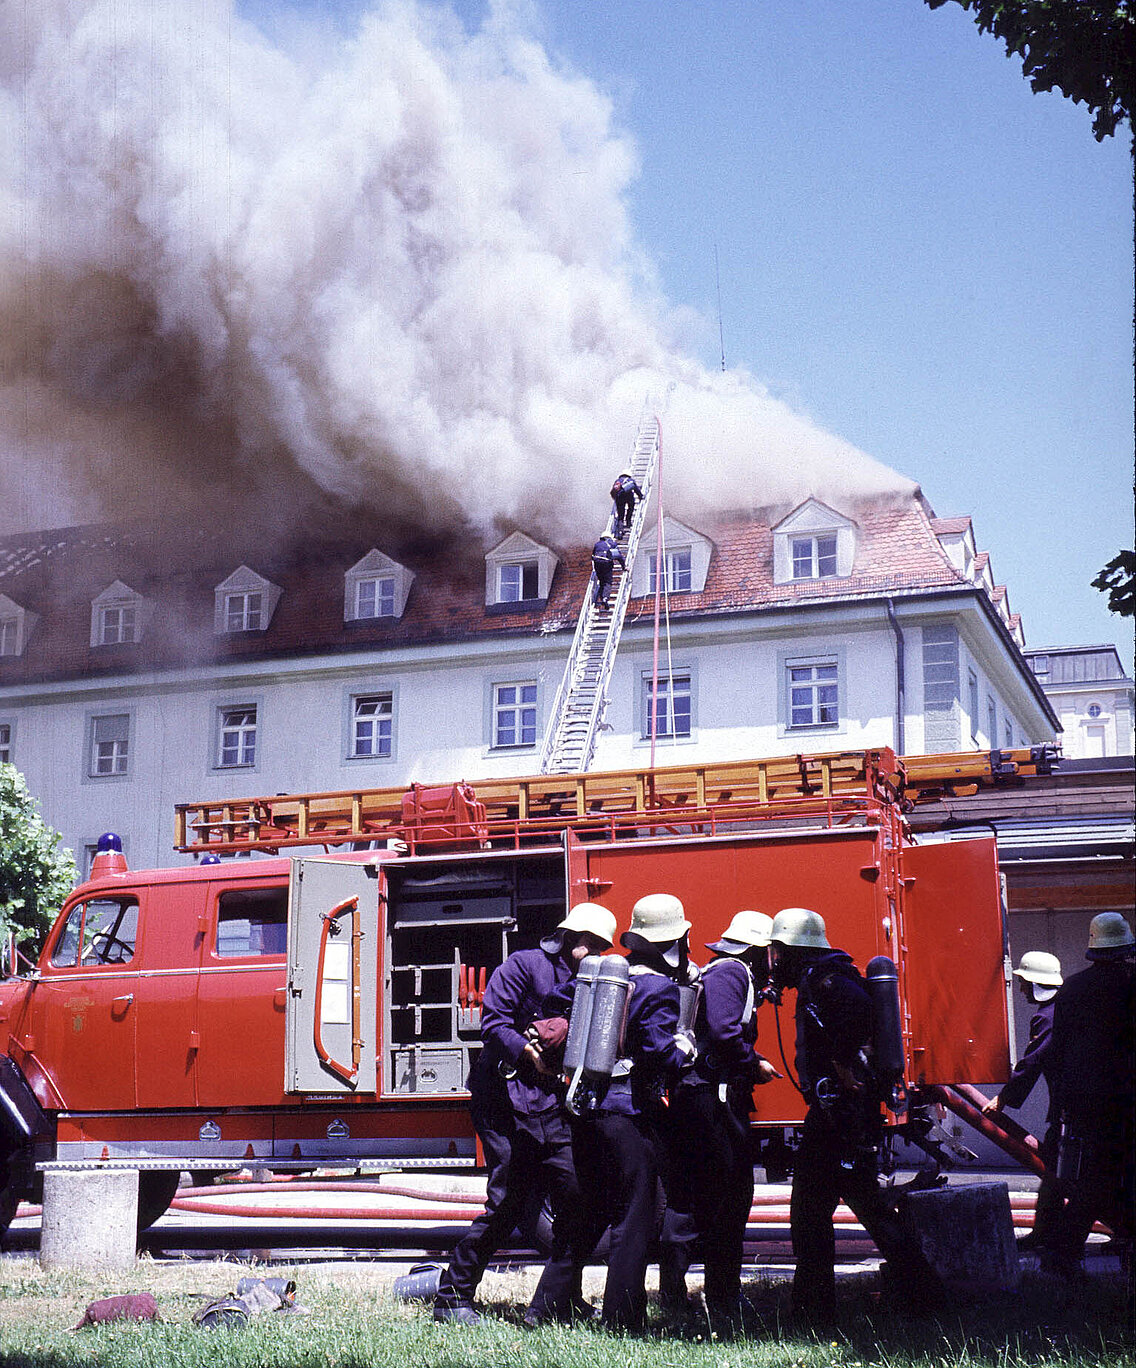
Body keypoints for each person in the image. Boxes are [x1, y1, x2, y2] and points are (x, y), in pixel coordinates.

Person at [432, 902, 616, 1326]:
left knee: (578, 1194)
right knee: (508, 1201)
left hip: (550, 1100)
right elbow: (493, 1025)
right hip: (502, 1099)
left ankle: (561, 1299)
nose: (594, 953)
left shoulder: (589, 981)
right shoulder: (523, 965)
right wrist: (529, 1052)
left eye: (601, 947)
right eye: (589, 944)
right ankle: (452, 1298)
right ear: (569, 938)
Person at [768, 907, 943, 1324]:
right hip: (843, 1116)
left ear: (793, 949)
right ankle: (923, 1296)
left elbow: (858, 1009)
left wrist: (842, 1062)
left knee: (813, 1214)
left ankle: (815, 1309)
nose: (775, 962)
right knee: (860, 1208)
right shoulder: (825, 976)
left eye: (778, 951)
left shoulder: (823, 980)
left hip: (838, 1117)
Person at [569, 893, 696, 1332]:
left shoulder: (609, 977)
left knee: (592, 1211)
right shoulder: (659, 988)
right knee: (635, 1219)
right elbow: (659, 1051)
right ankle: (622, 1318)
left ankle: (549, 1304)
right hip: (629, 1112)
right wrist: (685, 1049)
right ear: (671, 942)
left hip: (590, 1106)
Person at [660, 909, 780, 1336]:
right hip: (713, 1100)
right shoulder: (732, 972)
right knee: (727, 1198)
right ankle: (722, 1295)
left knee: (692, 1201)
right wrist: (754, 1063)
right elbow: (725, 1031)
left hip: (699, 1097)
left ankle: (680, 1295)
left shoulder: (717, 970)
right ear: (757, 950)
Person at [1044, 912, 1134, 1278]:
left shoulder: (1072, 989)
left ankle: (1064, 1254)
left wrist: (1062, 1103)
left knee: (1093, 1177)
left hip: (1086, 1101)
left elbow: (1058, 1051)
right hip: (1127, 1099)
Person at [981, 949, 1064, 1251]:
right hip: (1088, 1104)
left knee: (1057, 1172)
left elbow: (1031, 1063)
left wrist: (1003, 1099)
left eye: (1024, 983)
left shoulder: (1047, 1017)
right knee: (1059, 1172)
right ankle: (1049, 1235)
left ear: (1035, 983)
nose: (1021, 989)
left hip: (1072, 1110)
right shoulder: (1068, 1008)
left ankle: (1052, 1240)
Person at [591, 535, 625, 610]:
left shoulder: (597, 544)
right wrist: (624, 567)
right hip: (606, 564)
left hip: (597, 565)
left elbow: (592, 555)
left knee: (601, 582)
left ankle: (602, 598)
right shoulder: (612, 543)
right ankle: (605, 598)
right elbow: (619, 556)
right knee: (607, 582)